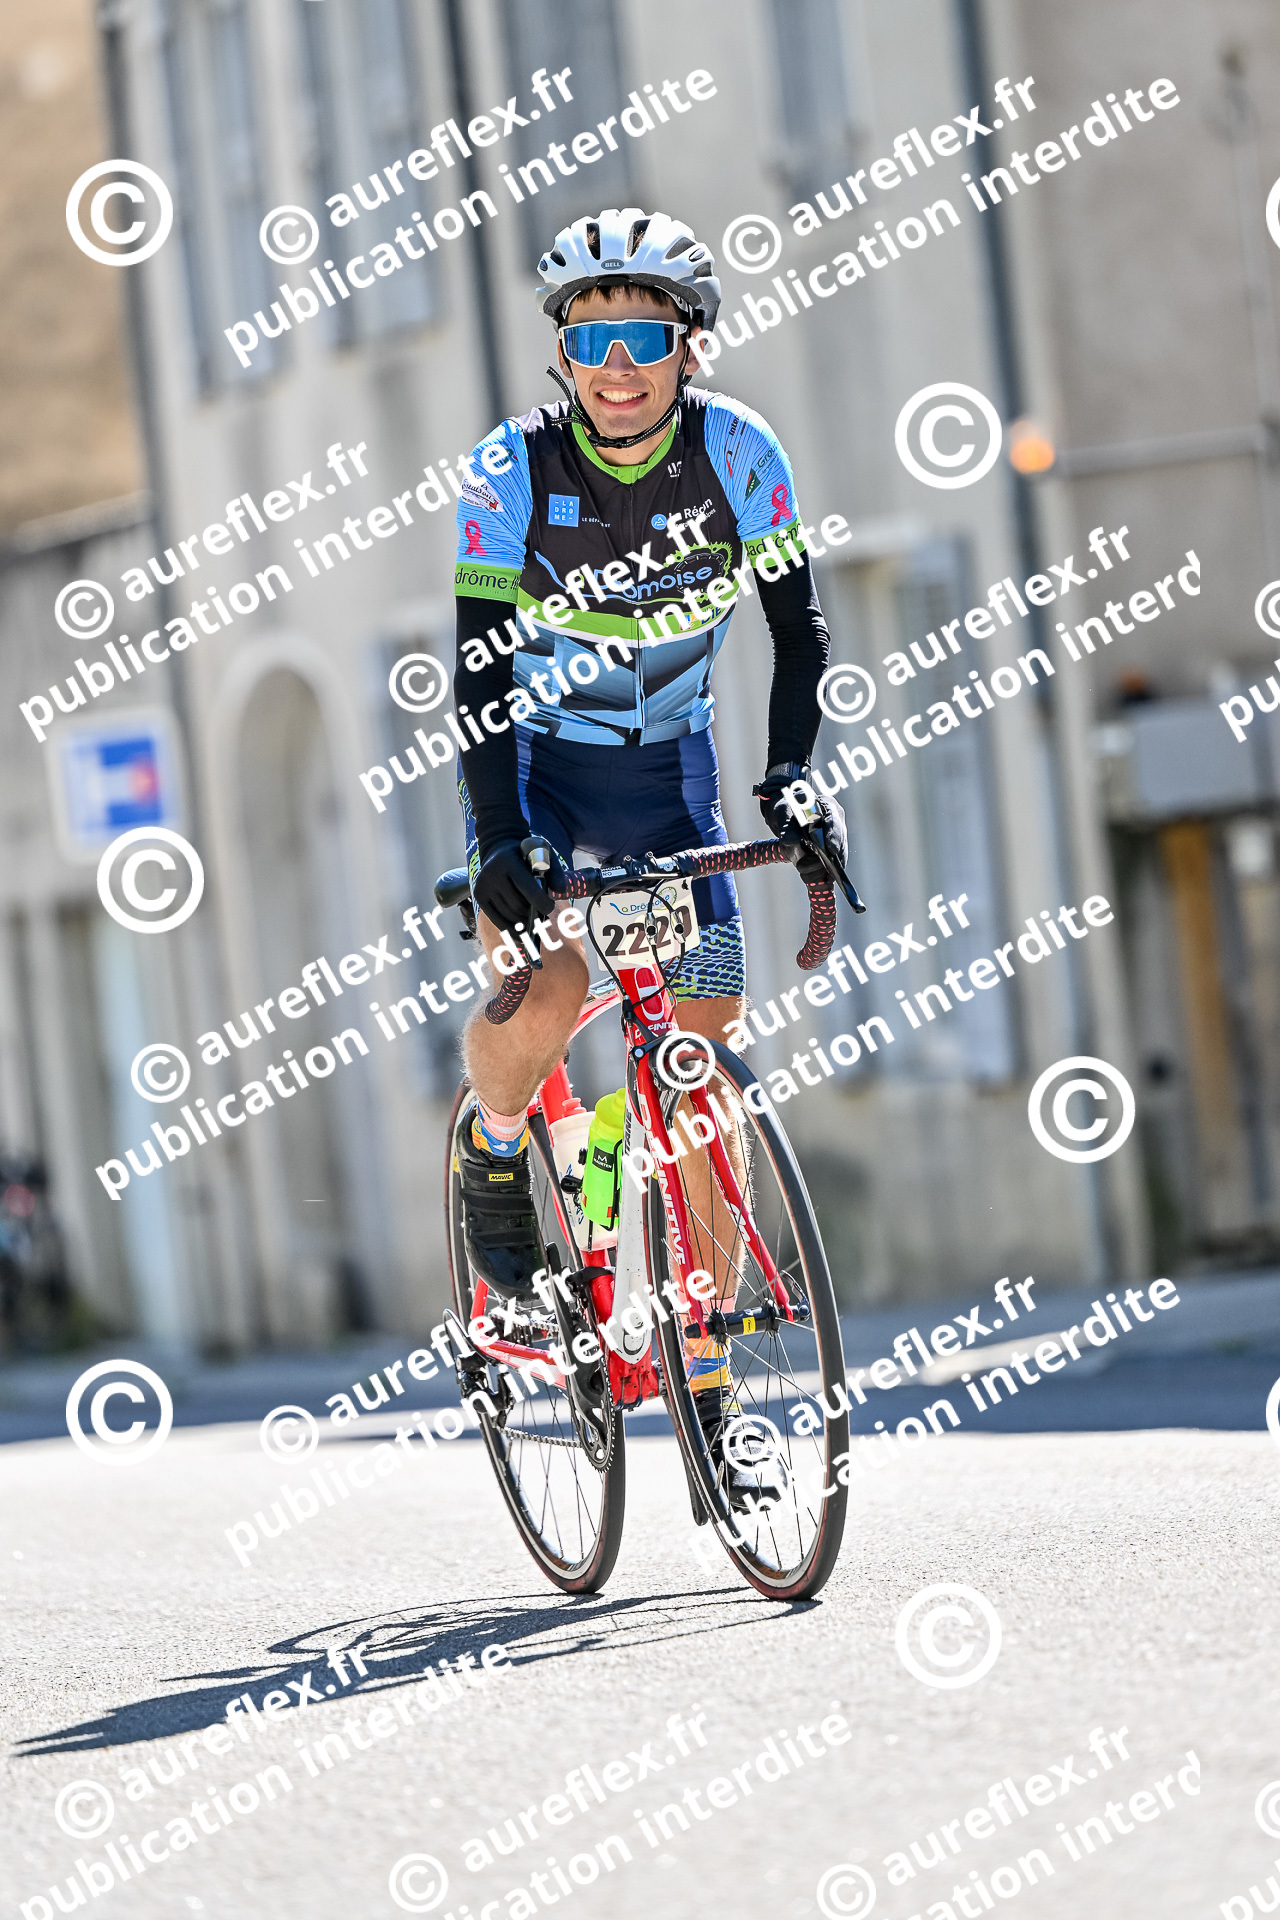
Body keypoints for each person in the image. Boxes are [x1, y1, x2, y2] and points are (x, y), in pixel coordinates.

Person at [450, 206, 845, 1503]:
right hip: (538, 779)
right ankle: (497, 1144)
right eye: (589, 338)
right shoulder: (512, 468)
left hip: (674, 787)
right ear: (560, 351)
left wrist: (792, 779)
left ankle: (711, 1385)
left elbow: (800, 633)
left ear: (691, 345)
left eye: (643, 337)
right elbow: (479, 671)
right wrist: (499, 837)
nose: (616, 366)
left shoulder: (740, 452)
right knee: (552, 992)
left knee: (702, 1077)